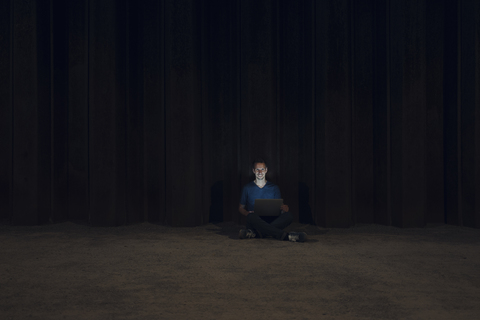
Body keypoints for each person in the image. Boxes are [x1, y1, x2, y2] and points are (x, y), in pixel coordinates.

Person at [238, 158, 307, 242]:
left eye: (262, 169)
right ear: (253, 171)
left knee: (289, 216)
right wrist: (247, 213)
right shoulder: (247, 188)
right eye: (257, 170)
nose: (260, 172)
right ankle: (286, 236)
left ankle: (256, 233)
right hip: (255, 220)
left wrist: (284, 209)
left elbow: (279, 207)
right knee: (251, 217)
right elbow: (241, 207)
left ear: (266, 170)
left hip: (271, 219)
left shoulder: (274, 188)